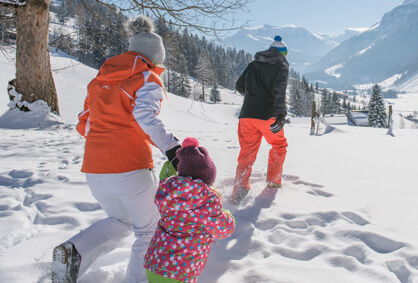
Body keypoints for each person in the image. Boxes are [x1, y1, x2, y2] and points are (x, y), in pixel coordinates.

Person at [52, 15, 182, 283]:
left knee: (121, 220)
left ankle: (74, 251)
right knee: (149, 230)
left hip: (95, 168)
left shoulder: (100, 79)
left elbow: (84, 122)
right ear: (154, 57)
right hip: (130, 166)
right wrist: (172, 148)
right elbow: (145, 116)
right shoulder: (147, 77)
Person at [144, 137, 235, 282]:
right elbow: (224, 229)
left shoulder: (169, 193)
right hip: (180, 271)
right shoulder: (206, 202)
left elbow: (165, 176)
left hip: (154, 263)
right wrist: (227, 215)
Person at [231, 35, 289, 204]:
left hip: (247, 116)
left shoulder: (253, 64)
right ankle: (273, 183)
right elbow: (280, 91)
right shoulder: (282, 65)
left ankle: (240, 189)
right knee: (279, 145)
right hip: (268, 116)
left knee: (247, 152)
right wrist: (281, 116)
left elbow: (239, 86)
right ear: (282, 53)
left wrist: (252, 97)